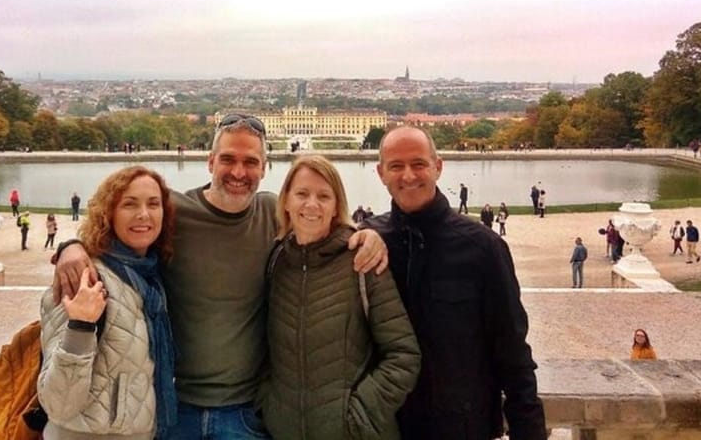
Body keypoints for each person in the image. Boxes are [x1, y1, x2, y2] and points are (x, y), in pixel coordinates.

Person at [55, 113, 386, 439]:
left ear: (264, 168)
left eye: (251, 161)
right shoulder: (174, 212)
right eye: (228, 159)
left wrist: (366, 235)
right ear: (210, 162)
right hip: (172, 408)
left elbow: (322, 224)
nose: (239, 172)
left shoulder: (273, 214)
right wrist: (71, 247)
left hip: (245, 411)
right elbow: (118, 233)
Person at [365, 125, 547, 439]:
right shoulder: (367, 239)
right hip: (385, 427)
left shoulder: (483, 247)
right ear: (381, 173)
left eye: (418, 164)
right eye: (396, 166)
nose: (408, 175)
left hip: (461, 427)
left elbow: (512, 350)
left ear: (438, 167)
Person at [262, 155, 420, 439]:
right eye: (301, 194)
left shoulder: (362, 261)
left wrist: (358, 415)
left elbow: (403, 355)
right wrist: (268, 405)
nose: (312, 205)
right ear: (285, 201)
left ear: (336, 207)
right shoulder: (277, 262)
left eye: (324, 196)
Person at [38, 166, 178, 438]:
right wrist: (80, 326)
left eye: (153, 204)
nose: (143, 214)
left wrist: (69, 245)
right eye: (129, 204)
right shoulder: (84, 277)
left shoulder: (149, 275)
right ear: (108, 212)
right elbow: (57, 404)